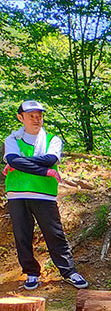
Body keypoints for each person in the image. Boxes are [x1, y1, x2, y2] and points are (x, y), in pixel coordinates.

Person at [3, 100, 88, 290]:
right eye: (31, 116)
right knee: (22, 236)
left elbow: (50, 159)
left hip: (44, 194)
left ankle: (68, 271)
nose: (36, 119)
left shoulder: (53, 139)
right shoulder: (12, 140)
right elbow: (13, 160)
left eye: (39, 116)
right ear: (20, 118)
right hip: (17, 194)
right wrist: (43, 170)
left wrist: (18, 162)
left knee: (55, 234)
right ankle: (31, 272)